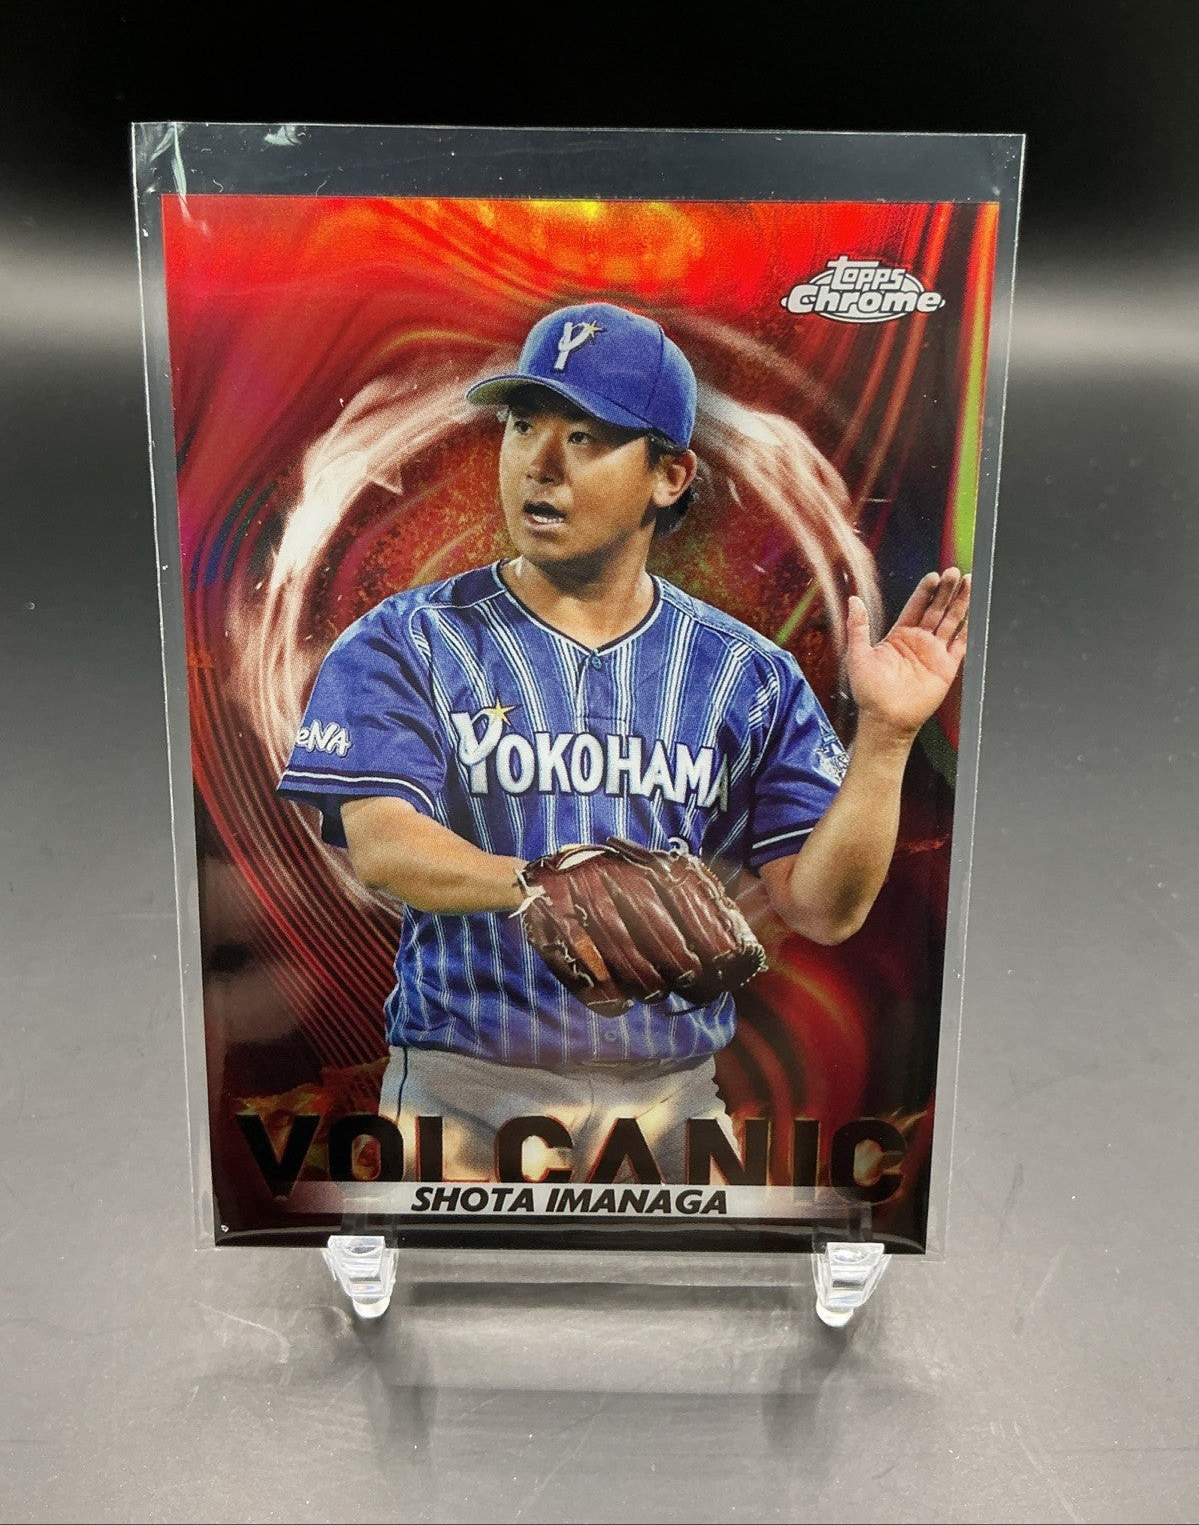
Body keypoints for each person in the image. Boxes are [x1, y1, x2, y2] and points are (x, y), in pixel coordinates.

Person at [277, 302, 970, 1184]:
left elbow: (823, 908)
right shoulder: (406, 639)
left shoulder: (744, 674)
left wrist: (887, 738)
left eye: (586, 436)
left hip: (673, 1102)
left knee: (692, 1279)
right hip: (461, 1095)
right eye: (523, 424)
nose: (540, 463)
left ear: (669, 475)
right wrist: (545, 885)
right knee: (457, 1278)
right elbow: (382, 845)